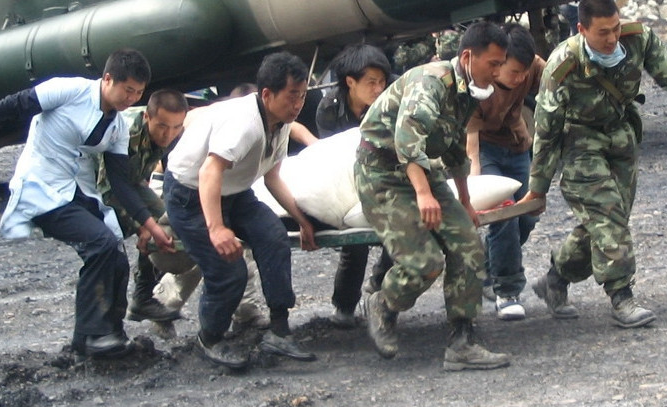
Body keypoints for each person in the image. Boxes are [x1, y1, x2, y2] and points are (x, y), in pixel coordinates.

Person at [0, 48, 165, 359]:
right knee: (101, 245)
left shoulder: (118, 126)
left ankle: (109, 333)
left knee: (115, 253)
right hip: (41, 188)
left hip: (77, 191)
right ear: (108, 79)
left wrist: (148, 225)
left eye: (138, 93)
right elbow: (11, 106)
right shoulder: (68, 90)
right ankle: (92, 334)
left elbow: (121, 183)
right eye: (127, 90)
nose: (131, 99)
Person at [524, 0, 667, 328]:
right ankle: (621, 297)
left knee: (604, 223)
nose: (612, 38)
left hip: (621, 137)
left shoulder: (637, 39)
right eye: (602, 33)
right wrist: (538, 187)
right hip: (580, 145)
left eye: (615, 29)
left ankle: (556, 279)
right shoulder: (563, 65)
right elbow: (546, 131)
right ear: (581, 29)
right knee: (609, 220)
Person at [355, 20, 512, 371]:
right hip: (382, 173)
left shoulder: (468, 90)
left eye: (502, 64)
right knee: (425, 263)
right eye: (493, 64)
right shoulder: (432, 82)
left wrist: (465, 202)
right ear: (469, 56)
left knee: (469, 245)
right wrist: (423, 194)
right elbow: (406, 139)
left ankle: (462, 341)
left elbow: (455, 149)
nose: (498, 72)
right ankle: (383, 303)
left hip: (423, 168)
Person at [163, 52, 320, 370]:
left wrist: (301, 219)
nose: (298, 104)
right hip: (190, 194)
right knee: (228, 270)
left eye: (302, 96)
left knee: (274, 236)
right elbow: (209, 172)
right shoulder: (245, 122)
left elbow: (272, 176)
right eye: (292, 96)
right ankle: (210, 337)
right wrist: (217, 228)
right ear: (267, 94)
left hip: (235, 194)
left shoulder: (281, 123)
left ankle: (279, 330)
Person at [95, 88, 201, 340]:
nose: (169, 134)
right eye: (162, 126)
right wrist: (141, 225)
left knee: (166, 223)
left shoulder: (176, 133)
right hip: (95, 186)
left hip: (130, 183)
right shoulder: (127, 133)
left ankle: (144, 296)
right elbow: (107, 187)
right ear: (147, 118)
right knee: (109, 252)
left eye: (175, 127)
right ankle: (103, 325)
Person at [466, 23, 544, 321]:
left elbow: (555, 81)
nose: (521, 78)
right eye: (513, 72)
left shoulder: (532, 66)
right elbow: (470, 138)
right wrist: (474, 177)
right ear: (497, 64)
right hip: (485, 150)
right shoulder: (476, 84)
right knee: (505, 215)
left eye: (524, 72)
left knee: (528, 213)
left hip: (517, 145)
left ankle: (488, 267)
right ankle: (507, 290)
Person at [314, 43, 392, 327]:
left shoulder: (390, 100)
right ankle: (344, 306)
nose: (378, 89)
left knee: (398, 235)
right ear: (350, 82)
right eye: (371, 82)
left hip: (386, 175)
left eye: (382, 81)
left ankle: (379, 291)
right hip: (347, 179)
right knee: (354, 243)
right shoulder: (330, 109)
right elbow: (331, 155)